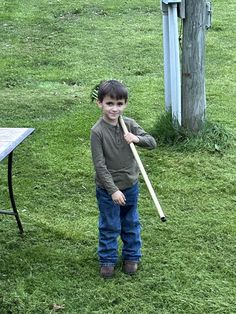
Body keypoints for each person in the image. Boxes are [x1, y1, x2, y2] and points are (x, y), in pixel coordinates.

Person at [90, 80, 157, 278]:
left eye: (119, 104)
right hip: (108, 190)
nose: (114, 108)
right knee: (110, 225)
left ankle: (131, 256)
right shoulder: (97, 132)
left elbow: (152, 142)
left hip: (130, 185)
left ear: (125, 104)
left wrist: (136, 139)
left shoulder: (129, 125)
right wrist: (113, 190)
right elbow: (100, 166)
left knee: (130, 222)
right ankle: (108, 260)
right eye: (110, 103)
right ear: (100, 103)